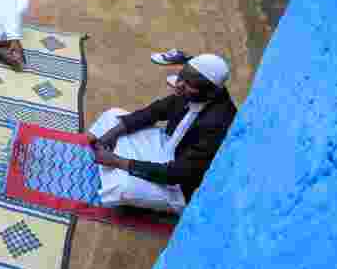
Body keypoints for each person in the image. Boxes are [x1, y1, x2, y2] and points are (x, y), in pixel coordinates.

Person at [87, 54, 237, 207]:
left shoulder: (218, 124)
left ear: (211, 92)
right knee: (113, 116)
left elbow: (175, 174)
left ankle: (110, 166)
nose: (179, 85)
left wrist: (116, 161)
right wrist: (112, 134)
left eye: (188, 84)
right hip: (166, 145)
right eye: (181, 77)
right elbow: (155, 111)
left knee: (124, 188)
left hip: (177, 183)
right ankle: (111, 165)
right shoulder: (192, 92)